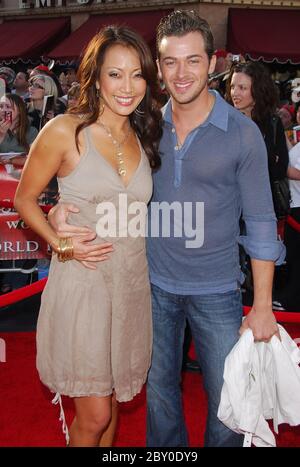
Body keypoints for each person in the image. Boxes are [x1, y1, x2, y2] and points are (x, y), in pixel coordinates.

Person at [46, 10, 285, 448]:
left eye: (193, 60)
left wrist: (264, 306)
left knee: (226, 405)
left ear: (213, 64)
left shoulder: (242, 133)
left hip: (218, 291)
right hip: (149, 287)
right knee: (158, 399)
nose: (181, 73)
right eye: (170, 62)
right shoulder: (144, 125)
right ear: (157, 66)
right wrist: (63, 208)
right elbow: (104, 182)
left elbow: (262, 222)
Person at [14, 25, 162, 447]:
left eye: (137, 74)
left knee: (113, 403)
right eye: (115, 74)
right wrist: (59, 240)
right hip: (84, 284)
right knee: (94, 415)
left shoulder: (144, 135)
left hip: (131, 285)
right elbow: (24, 200)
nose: (127, 86)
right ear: (96, 77)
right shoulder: (66, 130)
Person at [226, 61, 289, 219]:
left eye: (243, 88)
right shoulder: (225, 122)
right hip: (229, 210)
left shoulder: (273, 123)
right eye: (233, 86)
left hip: (262, 210)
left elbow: (280, 169)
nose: (235, 93)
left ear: (258, 91)